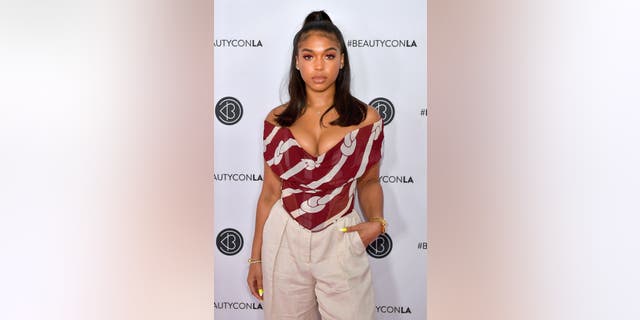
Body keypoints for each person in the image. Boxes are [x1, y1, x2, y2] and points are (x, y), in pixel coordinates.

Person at [247, 10, 387, 320]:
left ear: (342, 60)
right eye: (309, 56)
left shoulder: (367, 121)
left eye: (329, 55)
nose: (319, 66)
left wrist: (377, 220)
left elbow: (369, 181)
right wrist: (255, 259)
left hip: (340, 232)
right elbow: (270, 193)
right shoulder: (277, 121)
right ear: (297, 62)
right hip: (284, 237)